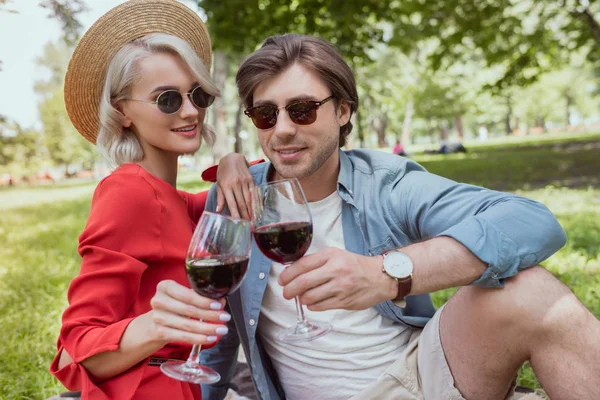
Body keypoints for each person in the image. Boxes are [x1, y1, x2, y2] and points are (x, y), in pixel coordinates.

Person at [200, 34, 600, 400]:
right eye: (265, 115)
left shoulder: (385, 184)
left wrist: (386, 275)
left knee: (532, 292)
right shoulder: (237, 195)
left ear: (342, 111)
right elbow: (215, 325)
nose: (282, 130)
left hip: (418, 380)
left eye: (302, 110)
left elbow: (532, 222)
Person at [49, 1, 254, 399]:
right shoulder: (129, 193)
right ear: (122, 111)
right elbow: (77, 348)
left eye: (197, 94)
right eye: (168, 100)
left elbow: (268, 180)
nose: (192, 110)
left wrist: (233, 161)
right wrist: (157, 325)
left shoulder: (172, 200)